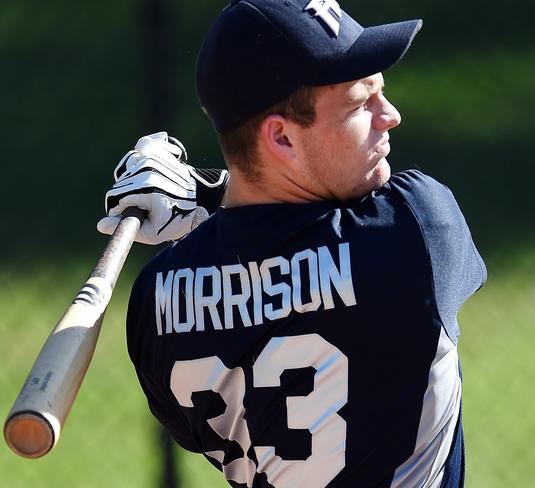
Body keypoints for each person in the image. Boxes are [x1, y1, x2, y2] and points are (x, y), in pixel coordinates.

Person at [98, 1, 487, 487]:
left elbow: (267, 233)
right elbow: (326, 245)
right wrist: (206, 195)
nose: (389, 115)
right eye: (359, 101)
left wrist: (211, 195)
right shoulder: (417, 230)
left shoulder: (155, 302)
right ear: (280, 137)